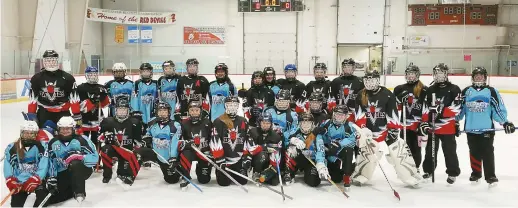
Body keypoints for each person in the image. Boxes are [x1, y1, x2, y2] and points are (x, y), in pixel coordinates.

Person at [353, 70, 421, 187]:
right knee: (367, 152)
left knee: (398, 150)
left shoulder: (387, 94)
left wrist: (393, 129)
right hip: (369, 132)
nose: (369, 83)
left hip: (385, 130)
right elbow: (359, 114)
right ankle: (361, 174)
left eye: (372, 80)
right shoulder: (361, 94)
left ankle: (410, 174)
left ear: (378, 80)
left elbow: (392, 114)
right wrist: (363, 128)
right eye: (367, 80)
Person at [457, 66, 515, 187]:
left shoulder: (491, 91)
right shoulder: (466, 91)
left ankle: (490, 176)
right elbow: (459, 109)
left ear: (485, 78)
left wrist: (505, 122)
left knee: (487, 152)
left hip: (487, 129)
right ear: (472, 78)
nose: (479, 77)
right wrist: (455, 122)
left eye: (481, 76)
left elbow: (498, 109)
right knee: (474, 152)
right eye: (476, 76)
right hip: (471, 129)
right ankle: (476, 173)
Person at [419, 63, 462, 184]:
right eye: (437, 73)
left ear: (446, 74)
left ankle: (452, 172)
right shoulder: (430, 89)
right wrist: (424, 122)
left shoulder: (454, 89)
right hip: (433, 127)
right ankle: (428, 170)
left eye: (441, 73)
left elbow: (457, 108)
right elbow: (425, 108)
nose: (439, 76)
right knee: (430, 151)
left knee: (450, 151)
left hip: (448, 127)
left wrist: (442, 110)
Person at [44, 116, 98, 205]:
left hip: (82, 169)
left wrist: (80, 157)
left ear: (73, 129)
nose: (65, 131)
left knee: (75, 163)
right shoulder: (52, 142)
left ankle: (79, 193)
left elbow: (94, 158)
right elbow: (50, 162)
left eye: (68, 129)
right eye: (62, 129)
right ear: (58, 129)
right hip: (63, 172)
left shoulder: (82, 140)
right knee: (55, 197)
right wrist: (51, 177)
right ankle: (70, 190)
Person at [210, 96, 259, 186]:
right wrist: (220, 160)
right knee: (223, 183)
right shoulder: (218, 121)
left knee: (243, 181)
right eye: (229, 105)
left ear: (238, 106)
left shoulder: (243, 121)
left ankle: (236, 170)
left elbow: (248, 140)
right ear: (225, 106)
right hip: (225, 161)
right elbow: (215, 141)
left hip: (238, 160)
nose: (232, 107)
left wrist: (246, 158)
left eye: (234, 105)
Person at [133, 102, 185, 188]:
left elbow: (175, 142)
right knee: (138, 152)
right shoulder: (152, 122)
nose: (162, 113)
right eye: (160, 111)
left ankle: (179, 170)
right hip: (155, 153)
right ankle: (129, 176)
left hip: (168, 157)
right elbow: (147, 133)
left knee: (171, 180)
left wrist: (173, 158)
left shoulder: (175, 125)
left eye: (164, 111)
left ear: (169, 112)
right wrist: (147, 139)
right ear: (156, 112)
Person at [26, 50, 82, 128]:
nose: (51, 63)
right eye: (48, 60)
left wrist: (76, 115)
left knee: (66, 135)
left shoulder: (68, 78)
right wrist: (31, 115)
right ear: (44, 62)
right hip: (44, 113)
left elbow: (74, 99)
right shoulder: (36, 78)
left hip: (63, 113)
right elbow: (33, 99)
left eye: (53, 60)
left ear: (57, 61)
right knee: (43, 136)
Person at [97, 96, 142, 185]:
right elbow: (99, 138)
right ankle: (107, 174)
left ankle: (124, 170)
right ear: (115, 110)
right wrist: (105, 137)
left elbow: (138, 142)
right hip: (114, 149)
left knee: (122, 175)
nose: (122, 112)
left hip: (127, 151)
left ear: (128, 111)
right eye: (119, 109)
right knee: (105, 150)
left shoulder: (134, 122)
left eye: (124, 109)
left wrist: (138, 149)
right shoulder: (108, 121)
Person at [3, 121, 49, 207]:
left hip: (38, 180)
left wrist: (37, 178)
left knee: (42, 199)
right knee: (16, 204)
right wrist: (10, 179)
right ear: (21, 133)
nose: (28, 135)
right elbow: (8, 164)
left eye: (31, 133)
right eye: (26, 133)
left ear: (36, 134)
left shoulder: (42, 146)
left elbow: (44, 164)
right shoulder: (12, 147)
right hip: (20, 180)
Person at [393, 64, 427, 172]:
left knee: (417, 148)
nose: (410, 76)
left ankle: (416, 168)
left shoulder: (424, 89)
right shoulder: (399, 88)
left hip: (419, 126)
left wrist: (424, 123)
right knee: (405, 148)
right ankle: (407, 167)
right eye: (409, 74)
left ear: (417, 75)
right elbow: (395, 108)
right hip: (405, 125)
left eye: (413, 74)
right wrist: (398, 100)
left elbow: (426, 108)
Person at [314, 106, 358, 191]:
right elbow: (319, 138)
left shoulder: (350, 126)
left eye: (342, 115)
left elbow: (352, 140)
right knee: (335, 178)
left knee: (349, 150)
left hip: (339, 150)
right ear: (333, 114)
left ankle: (347, 175)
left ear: (346, 116)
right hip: (328, 150)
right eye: (337, 114)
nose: (339, 117)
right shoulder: (327, 123)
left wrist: (339, 144)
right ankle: (326, 164)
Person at [177, 100, 214, 188]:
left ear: (200, 111)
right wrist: (186, 143)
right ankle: (185, 176)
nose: (194, 113)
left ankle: (200, 168)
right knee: (185, 153)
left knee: (204, 180)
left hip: (204, 153)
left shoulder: (207, 122)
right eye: (192, 110)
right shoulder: (184, 123)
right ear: (188, 111)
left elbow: (213, 139)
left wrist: (211, 152)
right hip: (191, 151)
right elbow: (178, 141)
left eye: (196, 110)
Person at [284, 113, 325, 186]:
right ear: (299, 124)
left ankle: (307, 173)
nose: (306, 125)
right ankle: (288, 173)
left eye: (308, 123)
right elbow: (284, 139)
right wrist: (293, 140)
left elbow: (320, 150)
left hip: (310, 160)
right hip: (298, 159)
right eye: (303, 123)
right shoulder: (295, 131)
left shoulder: (316, 135)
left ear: (312, 124)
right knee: (291, 149)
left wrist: (320, 163)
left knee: (314, 182)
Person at [77, 66, 110, 147]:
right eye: (90, 74)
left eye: (94, 74)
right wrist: (91, 101)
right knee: (84, 140)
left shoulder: (101, 87)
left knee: (97, 140)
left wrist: (103, 97)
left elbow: (105, 105)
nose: (93, 76)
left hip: (97, 117)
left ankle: (96, 156)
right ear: (86, 75)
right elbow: (80, 107)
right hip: (84, 118)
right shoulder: (81, 88)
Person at [248, 112, 282, 185]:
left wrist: (273, 168)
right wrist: (265, 147)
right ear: (259, 123)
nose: (265, 125)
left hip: (269, 162)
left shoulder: (276, 136)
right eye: (263, 123)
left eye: (268, 123)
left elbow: (277, 153)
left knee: (274, 182)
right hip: (256, 159)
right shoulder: (252, 132)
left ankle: (264, 174)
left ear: (271, 124)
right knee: (262, 155)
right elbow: (250, 149)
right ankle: (256, 172)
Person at [131, 63, 158, 127]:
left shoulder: (156, 83)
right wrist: (136, 112)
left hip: (152, 112)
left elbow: (158, 97)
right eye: (143, 71)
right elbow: (134, 98)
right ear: (141, 72)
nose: (145, 73)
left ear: (151, 72)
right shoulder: (137, 84)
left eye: (147, 71)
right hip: (141, 112)